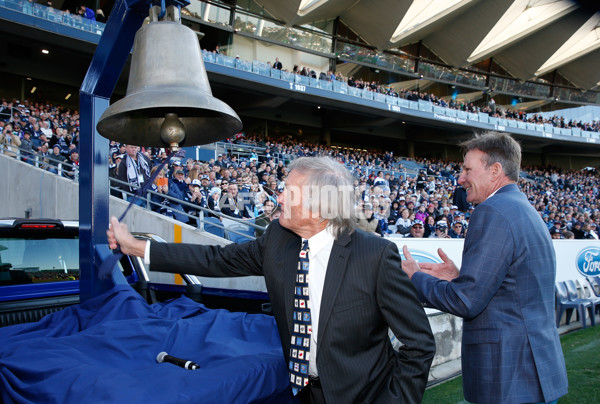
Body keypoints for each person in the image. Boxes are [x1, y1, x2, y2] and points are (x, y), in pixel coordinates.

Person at [108, 156, 435, 403]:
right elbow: (217, 259)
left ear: (318, 205)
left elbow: (418, 343)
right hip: (301, 391)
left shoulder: (375, 255)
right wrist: (137, 246)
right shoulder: (278, 238)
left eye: (288, 192)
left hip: (364, 394)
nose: (278, 198)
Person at [401, 132, 568, 404]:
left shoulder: (492, 212)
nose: (460, 178)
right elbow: (508, 289)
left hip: (509, 377)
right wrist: (458, 278)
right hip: (529, 372)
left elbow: (466, 301)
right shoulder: (523, 208)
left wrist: (415, 277)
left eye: (467, 169)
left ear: (495, 171)